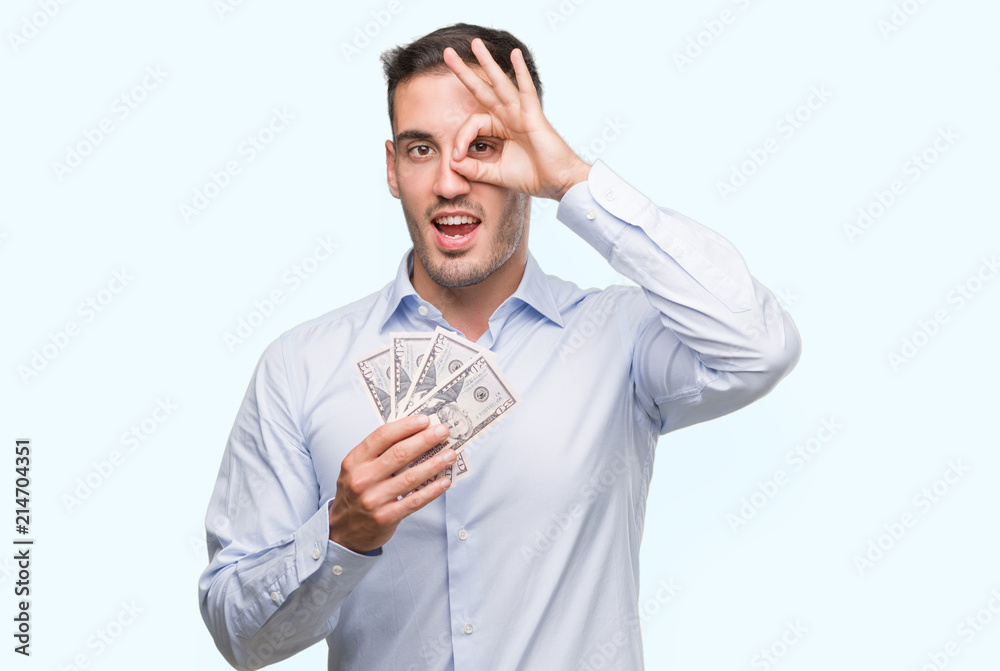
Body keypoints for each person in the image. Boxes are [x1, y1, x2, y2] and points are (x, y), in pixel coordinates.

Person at [199, 22, 801, 671]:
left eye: (481, 147)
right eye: (421, 149)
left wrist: (572, 179)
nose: (451, 182)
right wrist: (341, 532)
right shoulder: (300, 367)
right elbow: (240, 637)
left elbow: (759, 346)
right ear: (392, 168)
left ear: (526, 157)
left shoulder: (618, 338)